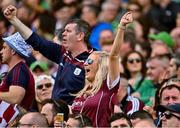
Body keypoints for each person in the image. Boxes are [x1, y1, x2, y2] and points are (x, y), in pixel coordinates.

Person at [3, 5, 94, 105]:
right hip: (56, 114)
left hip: (76, 117)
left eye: (68, 31)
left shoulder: (95, 59)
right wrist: (13, 19)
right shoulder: (63, 53)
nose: (63, 33)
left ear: (80, 36)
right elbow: (36, 40)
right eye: (64, 30)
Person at [71, 12, 133, 127]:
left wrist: (121, 27)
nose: (85, 64)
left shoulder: (108, 87)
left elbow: (113, 56)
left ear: (101, 66)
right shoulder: (82, 92)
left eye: (89, 61)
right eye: (85, 61)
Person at [0, 32, 35, 110]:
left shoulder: (19, 70)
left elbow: (15, 98)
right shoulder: (18, 69)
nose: (1, 52)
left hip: (18, 120)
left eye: (4, 48)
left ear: (13, 51)